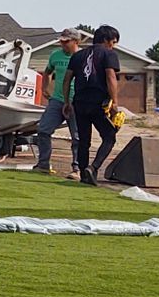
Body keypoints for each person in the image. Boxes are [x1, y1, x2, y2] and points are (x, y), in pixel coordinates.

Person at [61, 25, 122, 185]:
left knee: (84, 141)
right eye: (113, 42)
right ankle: (93, 168)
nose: (113, 45)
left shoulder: (78, 56)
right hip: (98, 102)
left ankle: (83, 174)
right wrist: (115, 102)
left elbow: (67, 80)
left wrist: (67, 101)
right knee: (109, 137)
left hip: (79, 102)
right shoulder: (109, 54)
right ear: (105, 40)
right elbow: (111, 77)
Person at [31, 28, 84, 175]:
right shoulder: (55, 55)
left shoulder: (82, 57)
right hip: (57, 99)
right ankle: (43, 165)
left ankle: (77, 169)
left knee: (78, 137)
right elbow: (47, 71)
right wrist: (44, 88)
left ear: (76, 41)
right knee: (43, 130)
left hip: (76, 102)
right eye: (61, 41)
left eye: (66, 42)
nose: (63, 44)